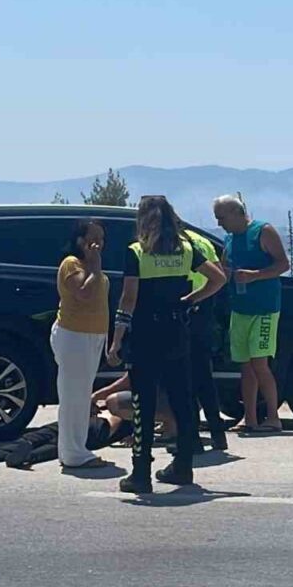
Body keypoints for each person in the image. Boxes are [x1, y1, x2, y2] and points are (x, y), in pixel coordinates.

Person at [107, 195, 227, 494]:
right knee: (181, 400)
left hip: (146, 332)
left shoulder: (137, 252)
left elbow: (129, 299)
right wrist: (190, 300)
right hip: (177, 331)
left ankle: (140, 472)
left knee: (142, 402)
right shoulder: (186, 250)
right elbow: (218, 279)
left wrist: (116, 339)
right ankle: (183, 466)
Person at [213, 195, 290, 434]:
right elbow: (225, 269)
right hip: (240, 308)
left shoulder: (263, 231)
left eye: (222, 218)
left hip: (264, 308)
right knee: (245, 365)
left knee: (260, 363)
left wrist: (255, 275)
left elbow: (283, 265)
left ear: (237, 212)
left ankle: (273, 417)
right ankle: (250, 418)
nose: (220, 224)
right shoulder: (229, 239)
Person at [50, 218, 113, 469]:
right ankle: (73, 452)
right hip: (73, 335)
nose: (98, 244)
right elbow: (84, 293)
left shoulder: (94, 268)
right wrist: (95, 269)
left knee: (82, 393)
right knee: (72, 395)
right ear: (80, 240)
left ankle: (77, 447)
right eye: (93, 238)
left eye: (102, 238)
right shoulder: (72, 264)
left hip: (93, 336)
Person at [183, 227, 229, 452]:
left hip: (187, 308)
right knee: (204, 377)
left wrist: (189, 299)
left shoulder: (179, 243)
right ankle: (217, 432)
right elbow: (220, 273)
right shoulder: (202, 240)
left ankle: (192, 437)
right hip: (204, 310)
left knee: (186, 379)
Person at [0, 409, 134, 469]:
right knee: (57, 443)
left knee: (49, 435)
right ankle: (27, 455)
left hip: (101, 425)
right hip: (100, 427)